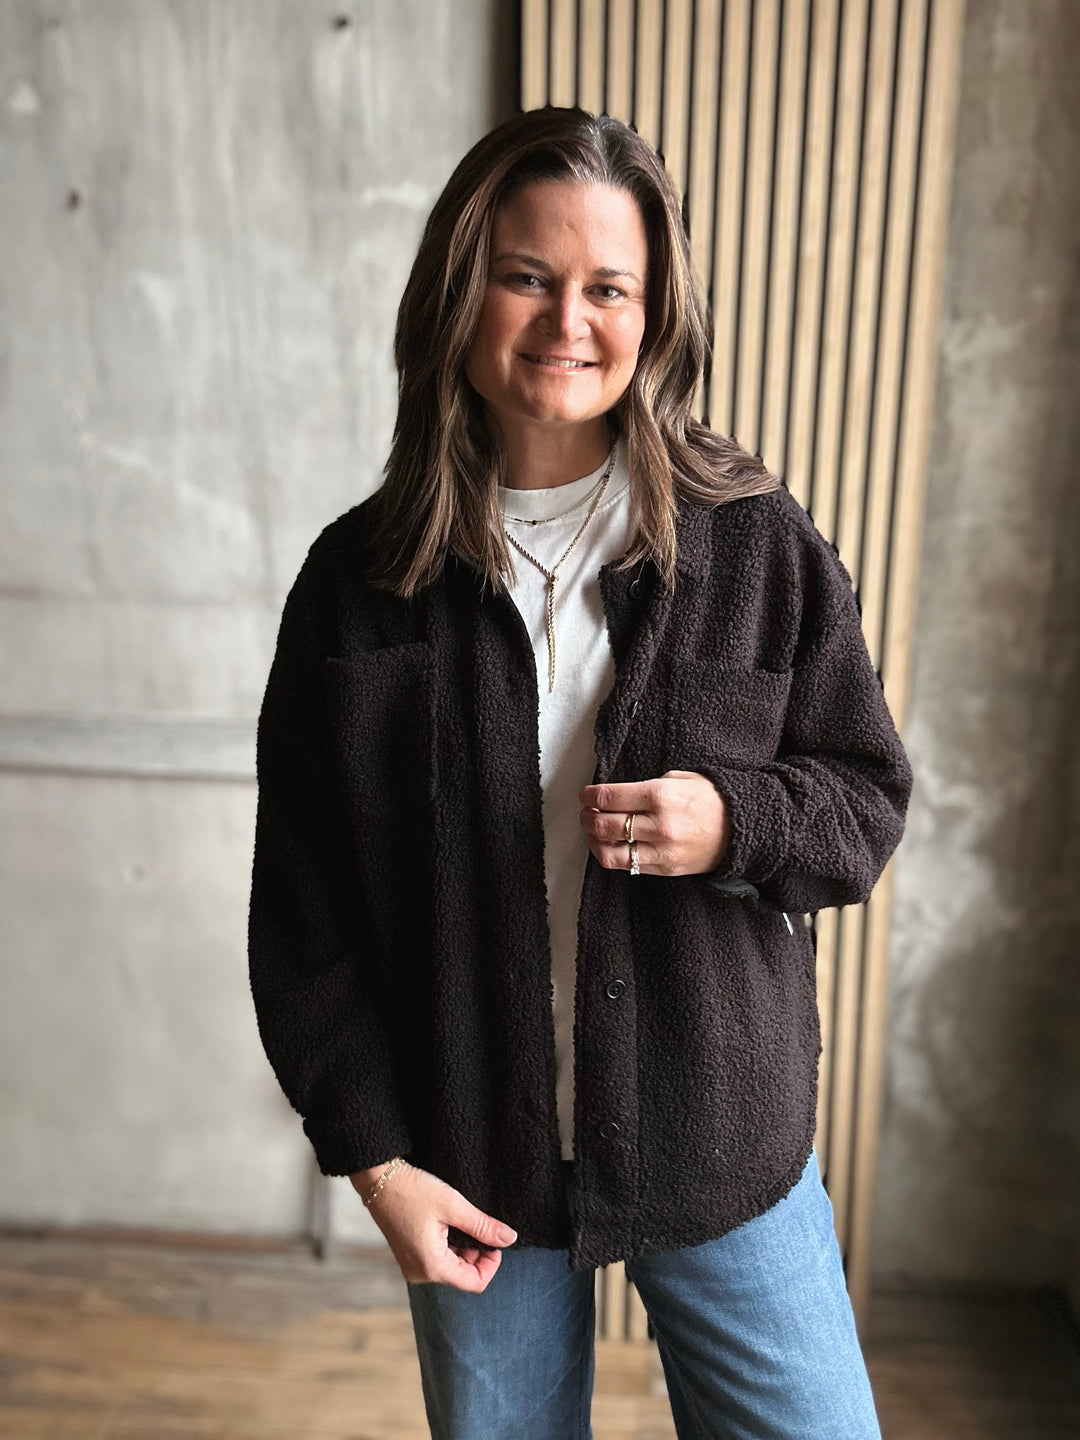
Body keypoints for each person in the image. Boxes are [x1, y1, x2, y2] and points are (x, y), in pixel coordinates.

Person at [248, 105, 912, 1439]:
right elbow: (304, 913)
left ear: (655, 312)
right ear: (462, 290)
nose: (569, 321)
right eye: (527, 276)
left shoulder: (754, 545)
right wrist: (374, 1156)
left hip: (725, 1143)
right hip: (472, 1154)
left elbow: (864, 798)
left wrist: (736, 819)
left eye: (608, 285)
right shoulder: (359, 584)